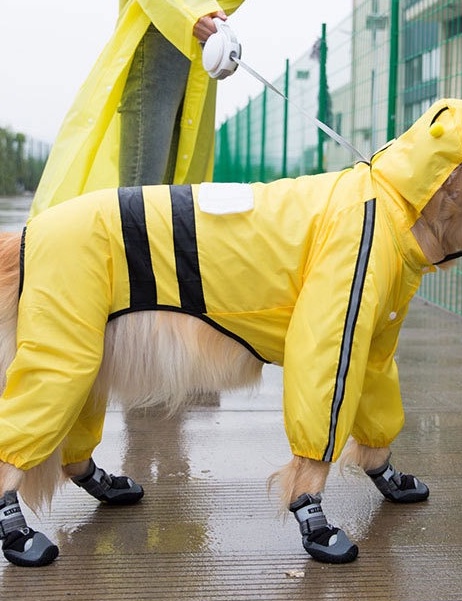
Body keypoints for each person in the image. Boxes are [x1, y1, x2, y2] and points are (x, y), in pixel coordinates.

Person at [0, 1, 245, 568]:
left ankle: (76, 460)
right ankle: (7, 482)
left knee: (118, 316)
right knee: (80, 318)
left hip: (192, 54)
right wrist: (196, 15)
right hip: (164, 47)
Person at [31, 0, 245, 216]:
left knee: (169, 201)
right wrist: (196, 12)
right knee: (142, 196)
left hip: (195, 43)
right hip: (159, 32)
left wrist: (204, 13)